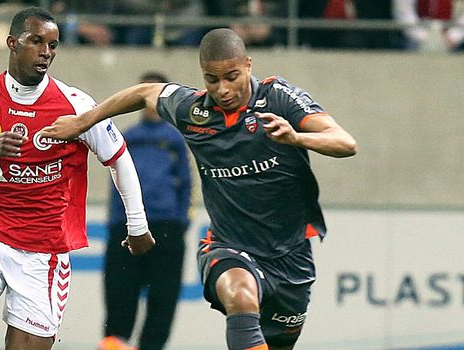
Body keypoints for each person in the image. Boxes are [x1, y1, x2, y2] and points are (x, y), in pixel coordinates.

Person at [41, 28, 357, 350]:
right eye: (211, 79)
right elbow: (146, 92)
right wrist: (84, 122)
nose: (222, 89)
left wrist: (297, 138)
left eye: (231, 76)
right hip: (229, 246)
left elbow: (345, 143)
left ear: (248, 65)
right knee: (240, 294)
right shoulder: (193, 111)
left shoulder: (278, 98)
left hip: (291, 254)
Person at [0, 7, 155, 350]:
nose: (46, 52)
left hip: (43, 255)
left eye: (53, 45)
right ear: (12, 43)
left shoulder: (74, 105)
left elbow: (120, 159)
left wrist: (137, 224)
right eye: (36, 41)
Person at [100, 72, 192, 350]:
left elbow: (187, 186)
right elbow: (114, 183)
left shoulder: (176, 140)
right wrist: (118, 222)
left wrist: (179, 222)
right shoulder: (126, 137)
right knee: (119, 299)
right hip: (125, 228)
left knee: (162, 303)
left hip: (166, 227)